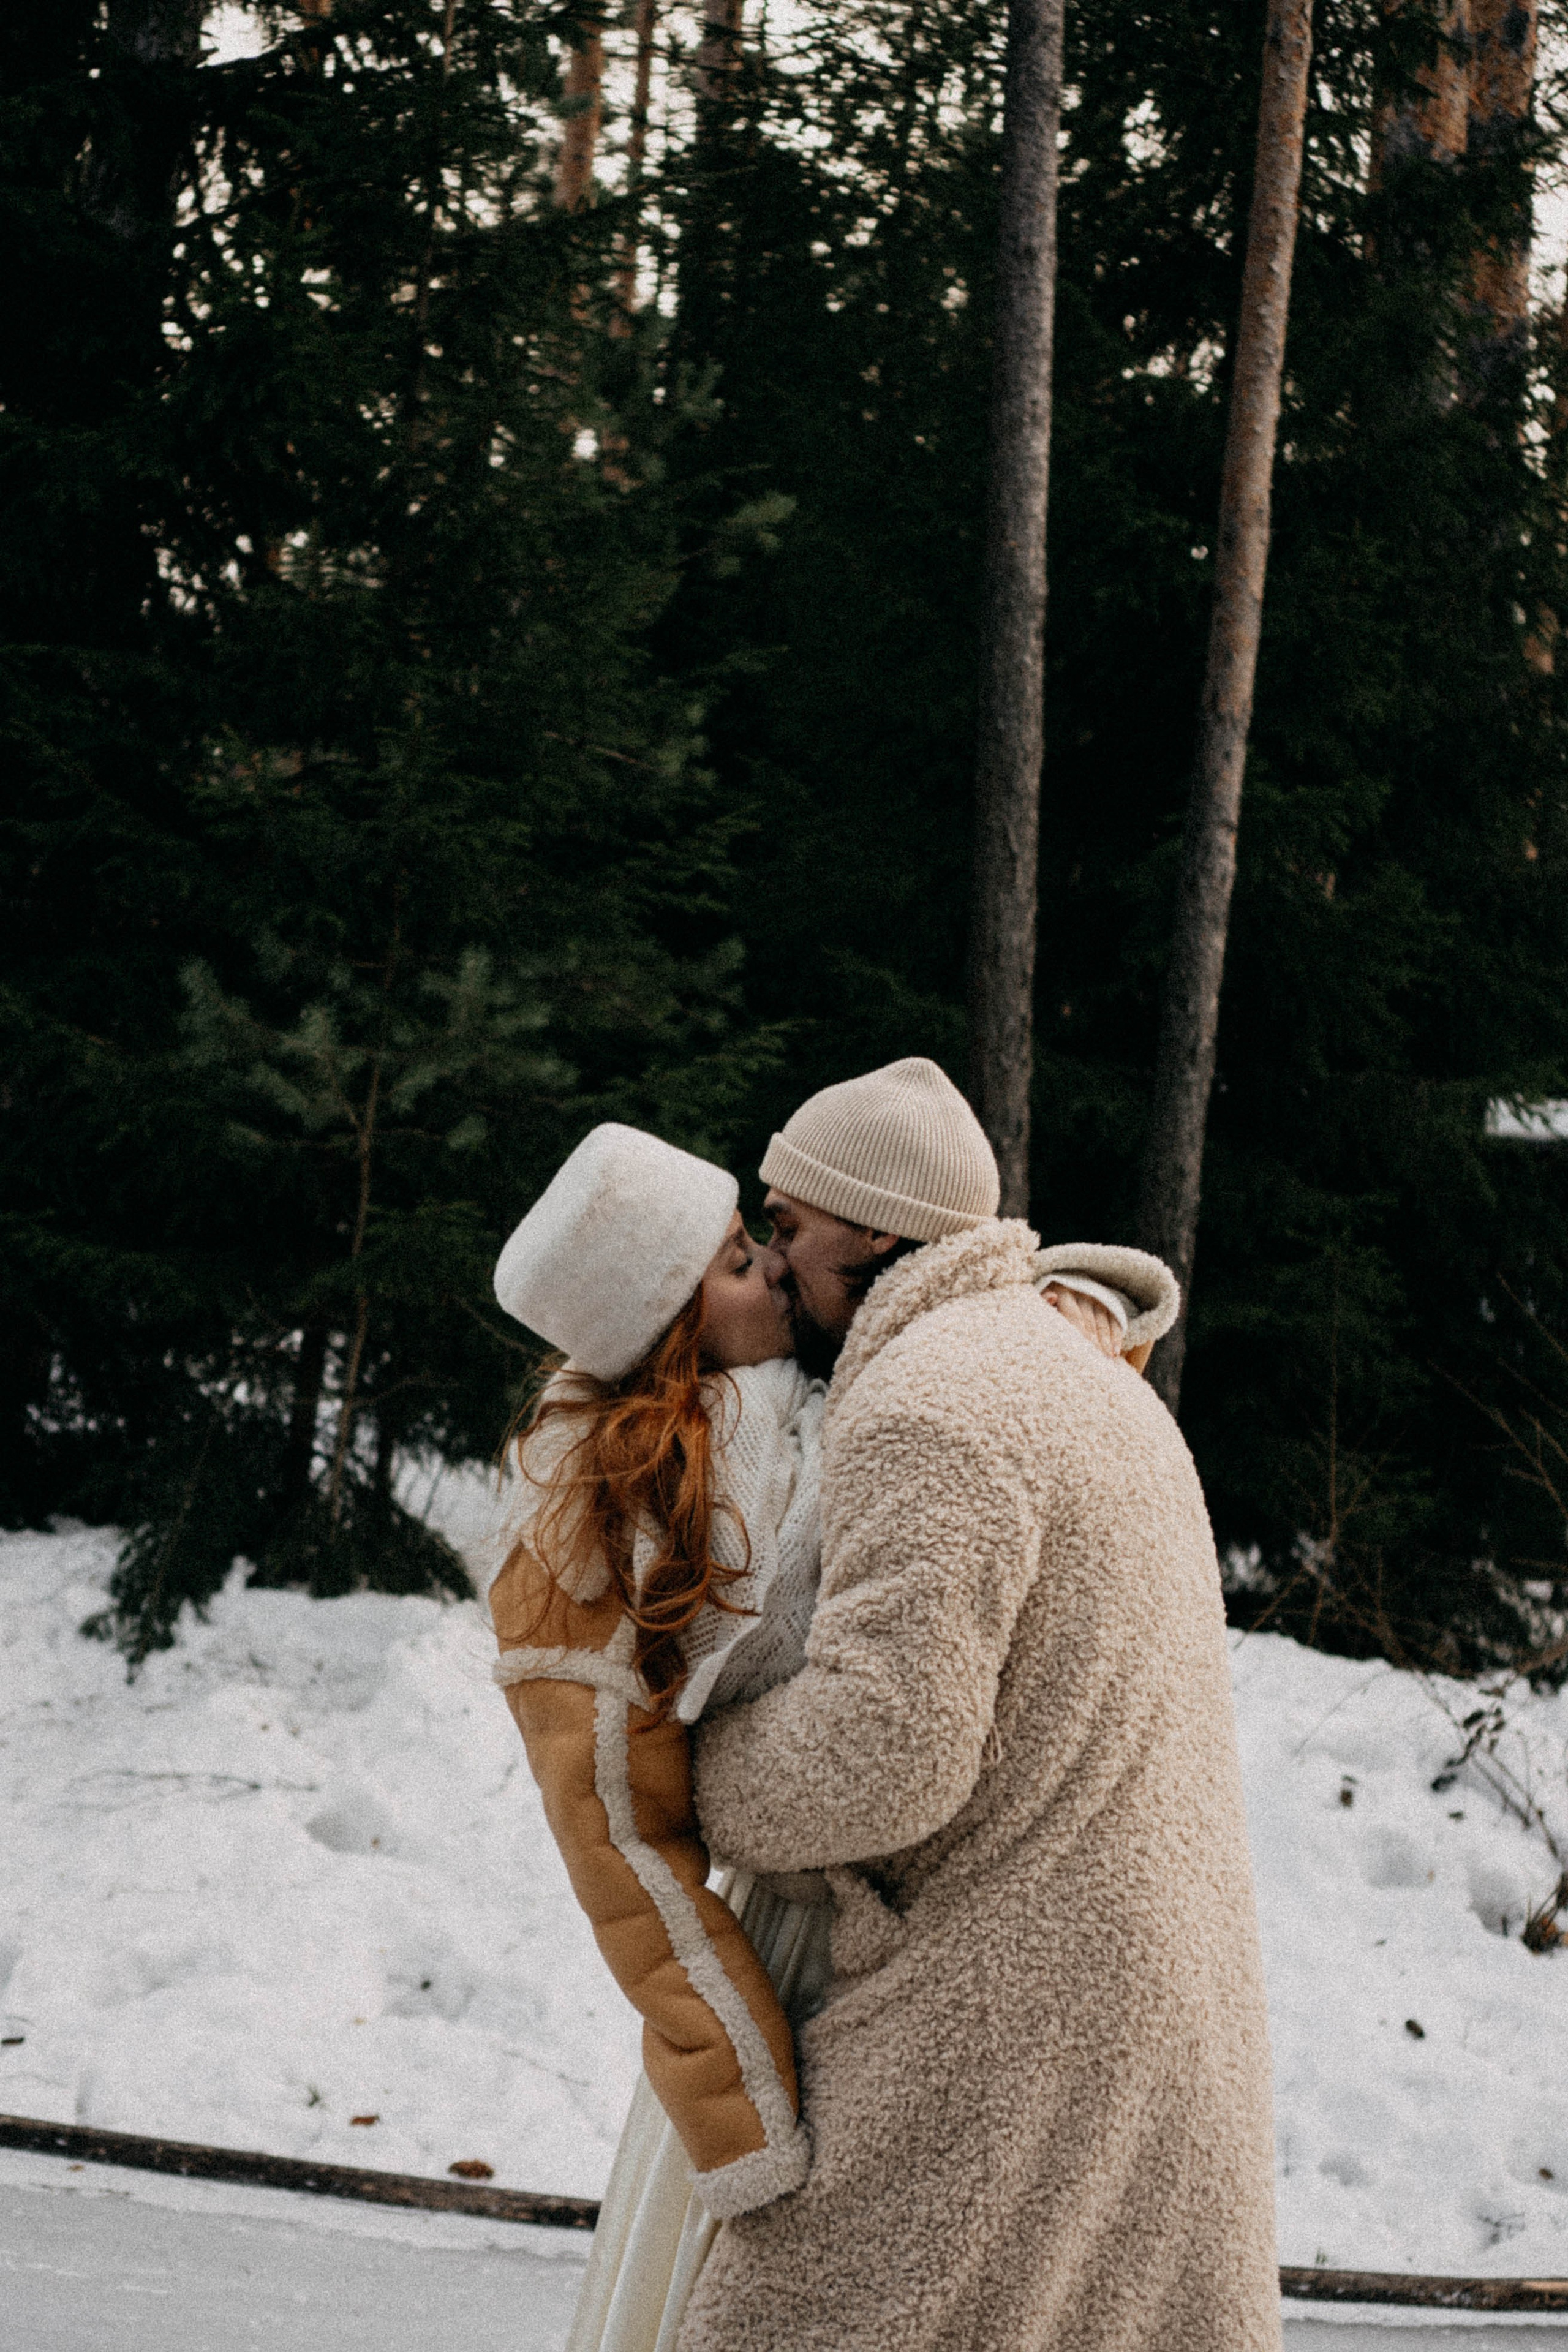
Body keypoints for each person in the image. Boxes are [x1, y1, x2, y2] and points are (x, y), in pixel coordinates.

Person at [484, 1112, 1178, 2352]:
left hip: (896, 1904)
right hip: (786, 1933)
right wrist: (736, 2112)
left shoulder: (831, 1378)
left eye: (764, 1237)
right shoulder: (602, 1523)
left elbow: (959, 1321)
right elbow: (621, 1850)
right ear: (663, 1318)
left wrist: (1074, 1299)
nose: (769, 1265)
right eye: (735, 1258)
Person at [680, 1057, 1283, 2352]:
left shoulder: (931, 1401)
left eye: (786, 1226)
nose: (772, 1263)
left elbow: (884, 1749)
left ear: (875, 1233)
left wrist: (687, 1771)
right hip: (1144, 1991)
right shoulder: (1064, 1367)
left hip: (1009, 2010)